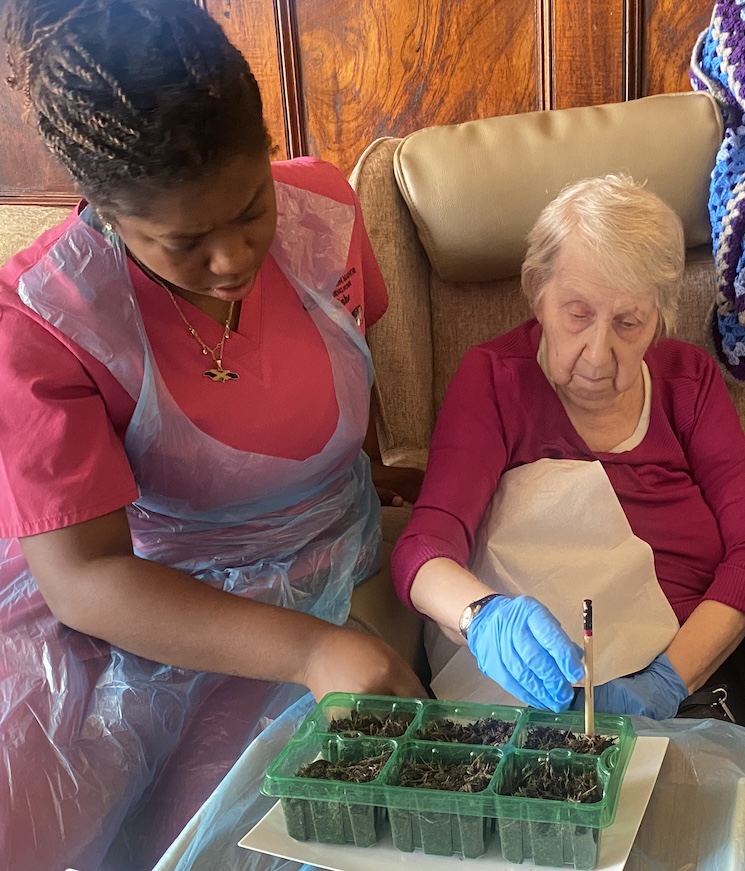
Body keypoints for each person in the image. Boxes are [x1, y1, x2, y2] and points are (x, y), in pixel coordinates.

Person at [0, 1, 426, 868]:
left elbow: (356, 370)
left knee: (236, 835)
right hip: (146, 593)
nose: (235, 260)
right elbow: (86, 577)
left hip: (321, 560)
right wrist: (312, 647)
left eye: (251, 208)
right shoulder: (41, 318)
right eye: (185, 242)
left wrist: (377, 477)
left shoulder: (327, 208)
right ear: (109, 214)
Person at [392, 174, 745, 725]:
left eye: (629, 323)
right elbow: (423, 549)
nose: (599, 356)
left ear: (660, 317)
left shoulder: (687, 382)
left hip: (685, 679)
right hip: (534, 688)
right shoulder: (495, 380)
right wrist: (482, 617)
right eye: (577, 314)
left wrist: (671, 677)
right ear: (536, 290)